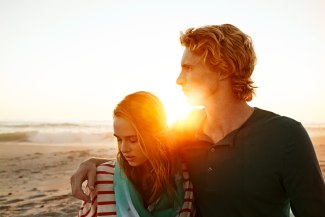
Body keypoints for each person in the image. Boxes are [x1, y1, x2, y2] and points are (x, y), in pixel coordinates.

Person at [71, 24, 325, 216]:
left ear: (224, 69)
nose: (179, 80)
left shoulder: (286, 136)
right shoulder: (185, 129)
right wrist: (95, 163)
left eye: (188, 68)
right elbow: (147, 154)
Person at [76, 91, 195, 217]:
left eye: (133, 139)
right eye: (119, 139)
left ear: (157, 136)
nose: (123, 148)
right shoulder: (102, 180)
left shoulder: (182, 177)